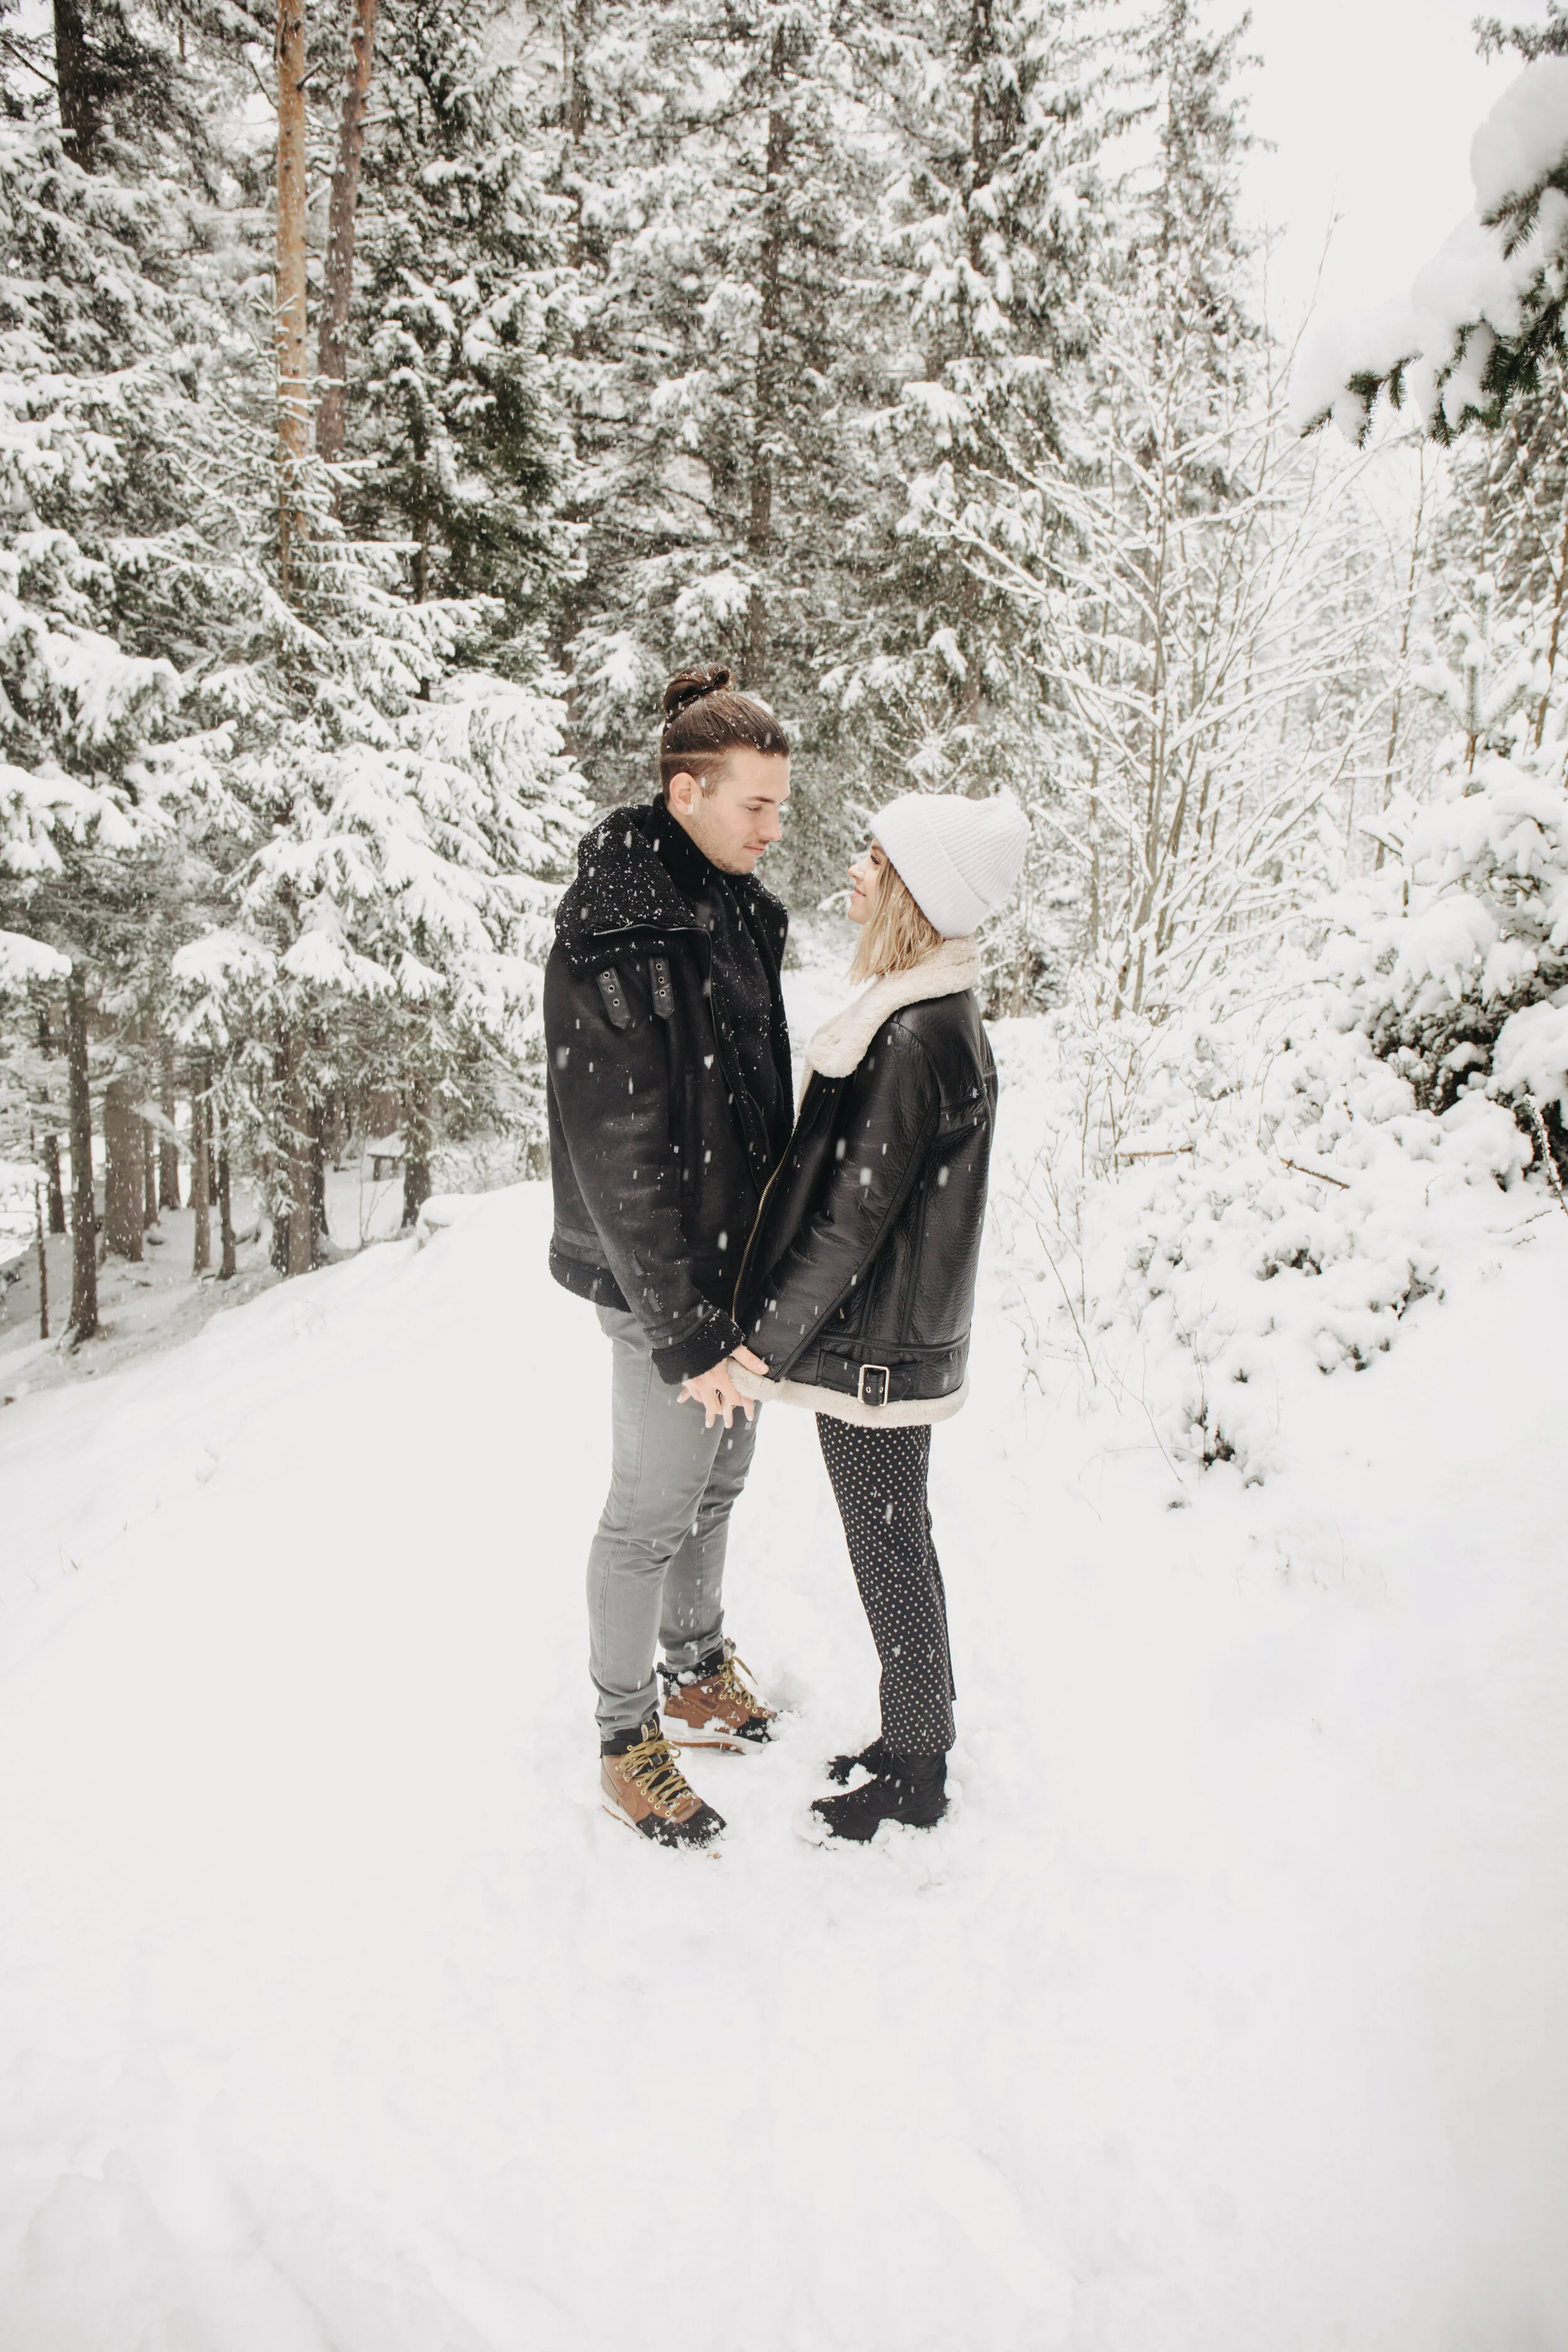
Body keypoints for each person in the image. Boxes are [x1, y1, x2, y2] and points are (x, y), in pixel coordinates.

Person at [733, 792, 1029, 1842]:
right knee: (895, 1542)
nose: (854, 873)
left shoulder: (912, 1033)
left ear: (912, 889)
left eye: (873, 858)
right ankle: (915, 1730)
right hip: (888, 1343)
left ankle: (918, 1768)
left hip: (877, 1354)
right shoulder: (929, 1012)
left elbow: (853, 1221)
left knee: (891, 1547)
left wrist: (762, 1342)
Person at [544, 667, 794, 1849]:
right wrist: (681, 1326)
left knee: (721, 1481)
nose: (774, 827)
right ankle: (622, 1735)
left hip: (738, 1269)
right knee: (650, 1507)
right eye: (755, 805)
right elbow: (617, 1149)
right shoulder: (617, 929)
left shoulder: (737, 907)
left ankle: (694, 1669)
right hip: (663, 1283)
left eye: (781, 808)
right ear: (685, 792)